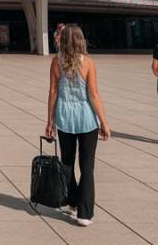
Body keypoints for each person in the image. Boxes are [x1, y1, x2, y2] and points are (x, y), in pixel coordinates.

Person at [45, 24, 111, 227]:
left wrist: (50, 121)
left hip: (65, 118)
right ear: (81, 40)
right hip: (86, 119)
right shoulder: (88, 63)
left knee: (67, 163)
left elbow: (53, 93)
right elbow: (93, 94)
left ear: (62, 40)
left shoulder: (56, 62)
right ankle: (85, 212)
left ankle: (72, 200)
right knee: (87, 165)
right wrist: (104, 123)